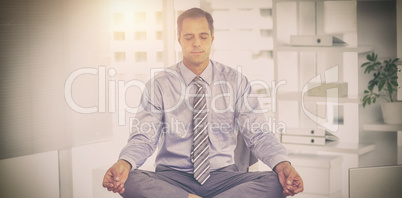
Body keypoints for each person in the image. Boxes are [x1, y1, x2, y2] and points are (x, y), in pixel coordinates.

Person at [103, 7, 303, 198]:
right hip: (172, 177)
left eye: (203, 36)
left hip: (223, 176)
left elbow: (259, 134)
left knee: (276, 182)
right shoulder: (159, 85)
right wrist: (124, 163)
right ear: (179, 40)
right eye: (189, 37)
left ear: (212, 39)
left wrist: (283, 164)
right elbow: (143, 137)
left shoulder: (235, 81)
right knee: (129, 180)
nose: (196, 43)